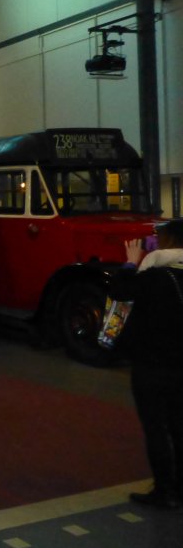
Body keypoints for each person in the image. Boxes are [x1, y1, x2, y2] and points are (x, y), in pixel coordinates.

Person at [110, 218, 183, 509]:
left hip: (152, 365)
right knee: (179, 426)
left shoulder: (154, 275)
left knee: (156, 428)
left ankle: (164, 491)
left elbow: (119, 292)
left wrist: (130, 262)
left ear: (168, 241)